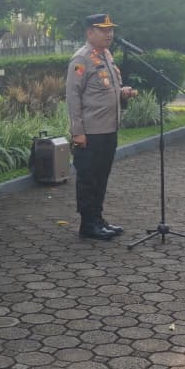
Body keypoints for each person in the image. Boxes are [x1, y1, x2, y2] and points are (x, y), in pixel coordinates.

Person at [66, 14, 137, 241]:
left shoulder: (106, 55)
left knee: (101, 176)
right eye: (103, 30)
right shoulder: (81, 59)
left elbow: (104, 89)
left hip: (108, 128)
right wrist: (77, 132)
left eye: (111, 30)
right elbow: (73, 97)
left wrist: (122, 92)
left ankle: (97, 219)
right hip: (91, 132)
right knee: (88, 178)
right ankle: (88, 224)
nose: (109, 34)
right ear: (89, 32)